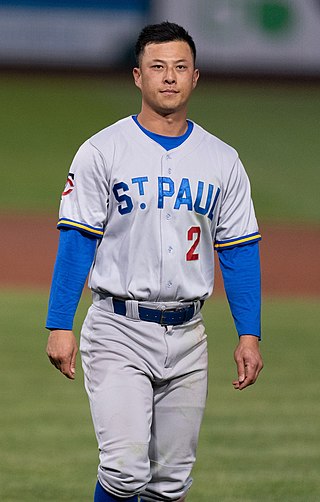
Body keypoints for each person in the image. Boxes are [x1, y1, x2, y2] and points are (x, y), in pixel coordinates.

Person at [46, 21, 263, 502]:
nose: (169, 77)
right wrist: (59, 322)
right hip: (118, 328)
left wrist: (250, 333)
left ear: (196, 78)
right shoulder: (103, 150)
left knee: (168, 486)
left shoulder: (222, 160)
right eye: (158, 67)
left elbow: (240, 248)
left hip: (189, 336)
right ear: (137, 77)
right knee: (124, 471)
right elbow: (77, 239)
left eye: (180, 67)